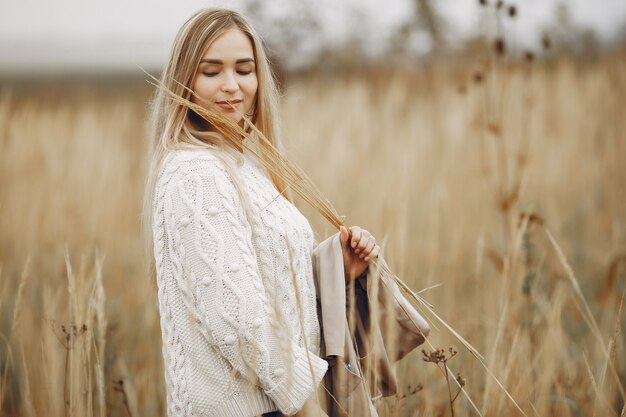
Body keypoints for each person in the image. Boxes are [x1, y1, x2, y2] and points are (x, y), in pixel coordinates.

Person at [143, 8, 382, 417]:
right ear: (185, 79)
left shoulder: (245, 164)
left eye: (244, 69)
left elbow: (258, 283)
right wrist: (312, 409)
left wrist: (335, 268)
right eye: (212, 71)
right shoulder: (195, 172)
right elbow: (239, 321)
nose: (232, 86)